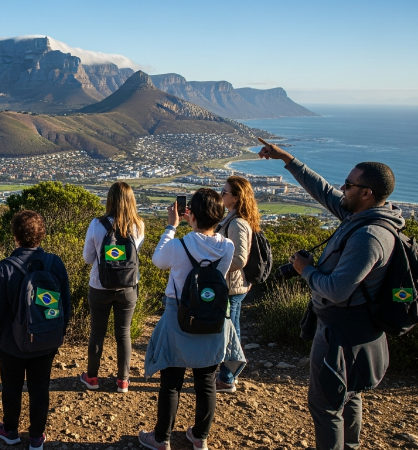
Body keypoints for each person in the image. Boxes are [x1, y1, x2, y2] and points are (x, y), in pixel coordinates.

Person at [258, 139, 401, 450]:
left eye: (349, 184)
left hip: (343, 330)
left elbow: (336, 290)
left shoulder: (369, 236)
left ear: (367, 193)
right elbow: (322, 190)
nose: (342, 187)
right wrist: (287, 159)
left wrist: (305, 270)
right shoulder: (359, 215)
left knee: (324, 405)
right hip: (353, 327)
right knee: (349, 394)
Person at [139, 188, 245, 450]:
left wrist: (172, 226)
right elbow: (215, 259)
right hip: (212, 316)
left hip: (179, 315)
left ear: (191, 215)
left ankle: (161, 438)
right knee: (206, 382)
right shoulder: (228, 246)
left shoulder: (178, 245)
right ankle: (200, 437)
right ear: (219, 217)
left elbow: (158, 260)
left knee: (171, 382)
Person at [0, 210, 72, 450]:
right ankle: (36, 436)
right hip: (45, 340)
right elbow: (66, 304)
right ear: (42, 235)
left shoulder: (5, 268)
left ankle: (10, 430)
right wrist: (58, 332)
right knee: (40, 387)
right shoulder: (55, 264)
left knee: (11, 387)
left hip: (11, 343)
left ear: (15, 236)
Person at [80, 181, 145, 393]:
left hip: (100, 286)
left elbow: (88, 258)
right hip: (128, 287)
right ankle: (123, 381)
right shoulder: (139, 226)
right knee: (123, 333)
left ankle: (92, 378)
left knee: (97, 332)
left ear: (110, 200)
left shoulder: (96, 225)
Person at [215, 176, 260, 393]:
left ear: (236, 197)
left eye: (224, 192)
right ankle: (230, 374)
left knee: (229, 332)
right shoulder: (232, 219)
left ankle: (227, 378)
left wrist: (215, 269)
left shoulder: (238, 223)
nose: (221, 195)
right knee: (232, 329)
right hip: (231, 286)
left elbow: (240, 258)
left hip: (232, 287)